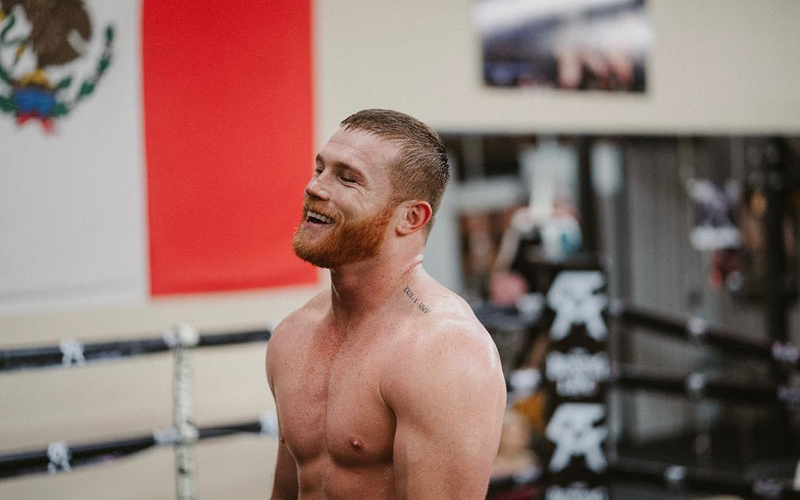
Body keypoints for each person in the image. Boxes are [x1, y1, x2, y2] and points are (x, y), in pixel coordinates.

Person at [266, 109, 507, 499]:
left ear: (411, 217)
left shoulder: (444, 352)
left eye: (348, 178)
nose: (315, 187)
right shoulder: (293, 335)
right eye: (320, 169)